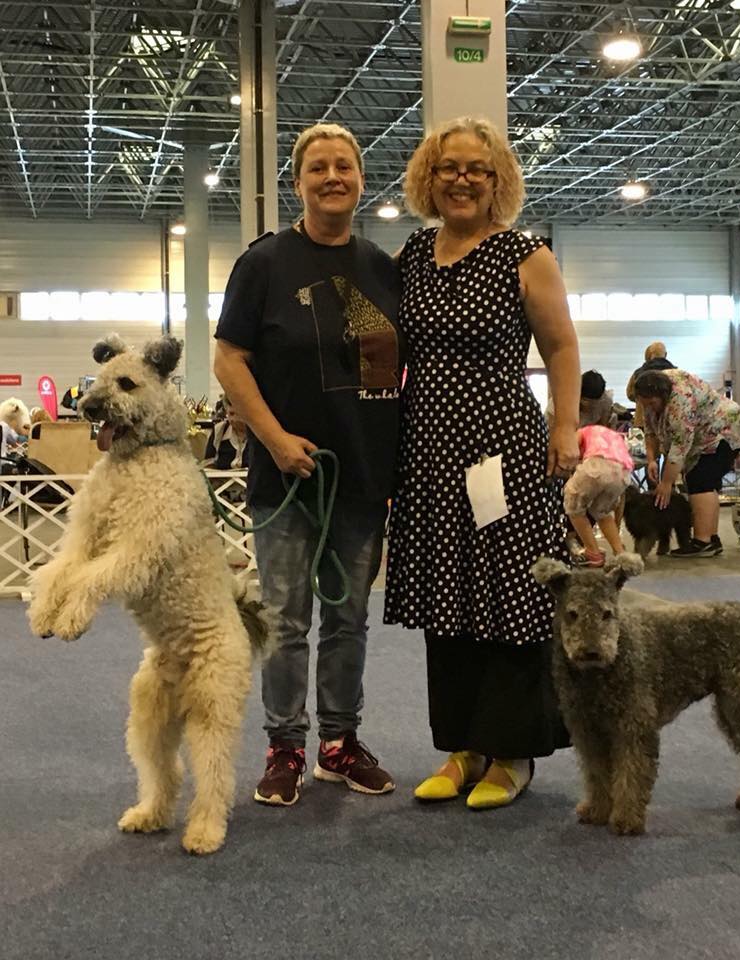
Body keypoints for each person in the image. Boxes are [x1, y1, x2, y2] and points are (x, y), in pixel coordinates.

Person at [384, 116, 581, 810]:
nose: (462, 179)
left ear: (497, 181)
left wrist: (566, 426)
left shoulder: (525, 254)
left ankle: (513, 753)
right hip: (430, 449)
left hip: (503, 446)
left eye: (476, 169)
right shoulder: (409, 255)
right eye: (448, 168)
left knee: (511, 595)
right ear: (427, 179)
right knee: (449, 596)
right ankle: (462, 746)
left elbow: (560, 348)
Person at [213, 122, 403, 807]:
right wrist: (274, 439)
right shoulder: (263, 264)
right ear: (298, 182)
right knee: (288, 622)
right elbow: (229, 359)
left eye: (344, 166)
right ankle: (285, 746)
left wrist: (386, 471)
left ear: (359, 179)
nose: (332, 177)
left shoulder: (382, 268)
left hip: (360, 479)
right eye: (318, 167)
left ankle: (339, 744)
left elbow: (388, 373)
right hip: (287, 482)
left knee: (349, 620)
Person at [634, 368, 740, 558]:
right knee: (705, 481)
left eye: (651, 403)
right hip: (704, 437)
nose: (648, 407)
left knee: (700, 479)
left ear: (662, 395)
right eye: (643, 403)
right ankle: (711, 539)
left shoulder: (681, 401)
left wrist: (666, 483)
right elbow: (650, 431)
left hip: (724, 430)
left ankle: (702, 542)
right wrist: (651, 460)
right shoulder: (648, 399)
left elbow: (679, 448)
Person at [563, 424, 633, 567]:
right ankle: (620, 553)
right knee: (602, 512)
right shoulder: (610, 434)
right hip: (623, 473)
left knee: (573, 506)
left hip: (596, 466)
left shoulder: (582, 432)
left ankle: (592, 552)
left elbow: (572, 452)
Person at [626, 341, 676, 429]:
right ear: (666, 354)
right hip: (668, 420)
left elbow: (630, 394)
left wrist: (645, 400)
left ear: (648, 356)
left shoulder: (638, 373)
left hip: (642, 421)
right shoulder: (676, 374)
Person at [547, 369, 614, 430]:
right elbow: (554, 430)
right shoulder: (561, 400)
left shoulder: (605, 401)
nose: (591, 407)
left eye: (594, 404)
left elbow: (601, 429)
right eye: (588, 403)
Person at [204, 394, 248, 470]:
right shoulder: (219, 430)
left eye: (238, 414)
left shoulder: (260, 434)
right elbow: (208, 465)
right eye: (231, 414)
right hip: (220, 481)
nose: (233, 419)